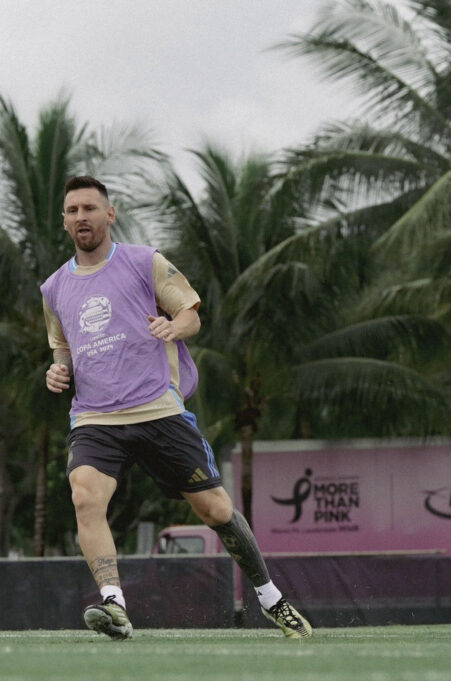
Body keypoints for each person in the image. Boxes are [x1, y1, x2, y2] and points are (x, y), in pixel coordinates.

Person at [41, 176, 312, 640]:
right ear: (64, 222)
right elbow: (61, 349)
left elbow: (190, 312)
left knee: (215, 510)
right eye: (72, 211)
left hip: (157, 408)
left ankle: (271, 598)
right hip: (94, 417)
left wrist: (174, 329)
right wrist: (56, 371)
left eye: (89, 208)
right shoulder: (53, 288)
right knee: (85, 497)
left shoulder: (143, 261)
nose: (81, 216)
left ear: (110, 214)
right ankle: (115, 606)